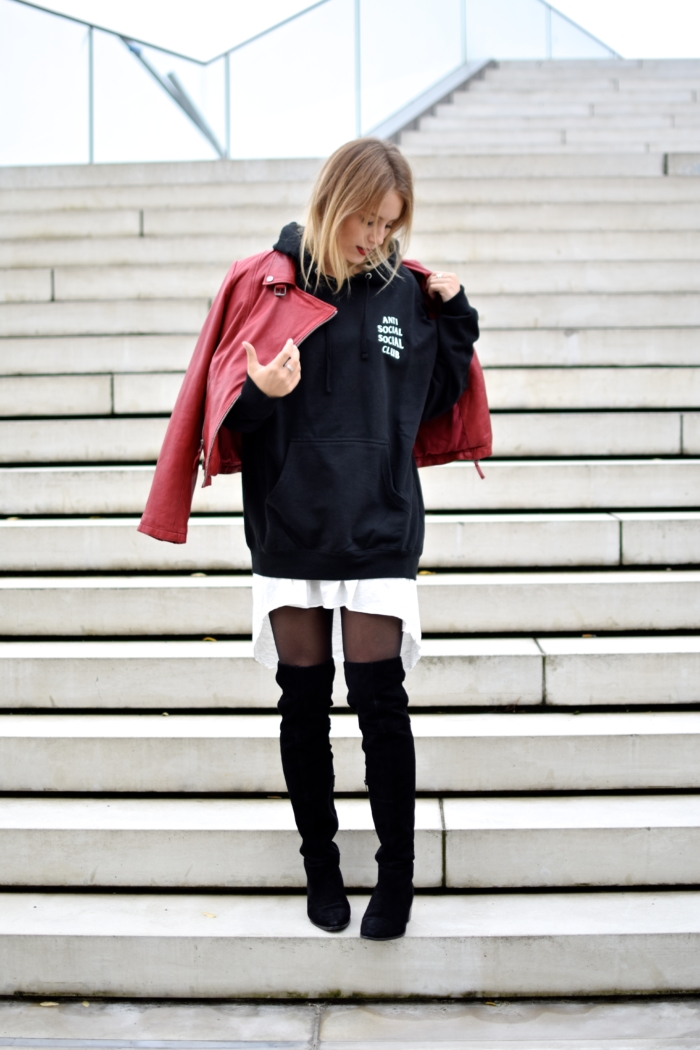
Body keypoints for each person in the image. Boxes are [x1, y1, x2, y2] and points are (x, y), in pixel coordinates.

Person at [138, 137, 490, 942]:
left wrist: (458, 317)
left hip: (379, 522)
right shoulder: (264, 282)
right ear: (335, 201)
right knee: (303, 704)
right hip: (290, 522)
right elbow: (225, 411)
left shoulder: (408, 293)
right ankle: (321, 870)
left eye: (390, 223)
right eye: (366, 218)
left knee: (379, 703)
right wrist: (260, 393)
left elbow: (431, 401)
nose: (375, 237)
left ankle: (395, 880)